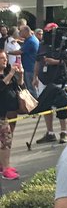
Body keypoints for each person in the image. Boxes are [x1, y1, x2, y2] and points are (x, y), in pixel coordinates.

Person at [34, 22, 67, 144]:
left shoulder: (66, 44)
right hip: (44, 79)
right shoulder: (43, 45)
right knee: (45, 105)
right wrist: (35, 77)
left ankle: (63, 132)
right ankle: (50, 132)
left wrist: (55, 62)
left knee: (61, 106)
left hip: (59, 79)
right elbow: (38, 60)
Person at [0, 48, 24, 180]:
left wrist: (20, 75)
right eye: (1, 58)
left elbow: (20, 87)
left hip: (6, 112)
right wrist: (10, 74)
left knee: (6, 140)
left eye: (5, 58)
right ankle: (6, 168)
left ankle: (3, 165)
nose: (4, 61)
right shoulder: (6, 75)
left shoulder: (8, 72)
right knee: (6, 141)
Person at [17, 23, 39, 90]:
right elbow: (25, 44)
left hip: (30, 68)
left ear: (25, 32)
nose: (19, 33)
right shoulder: (31, 38)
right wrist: (18, 41)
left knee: (31, 89)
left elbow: (20, 51)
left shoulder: (30, 41)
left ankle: (35, 100)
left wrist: (7, 52)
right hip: (30, 67)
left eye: (20, 31)